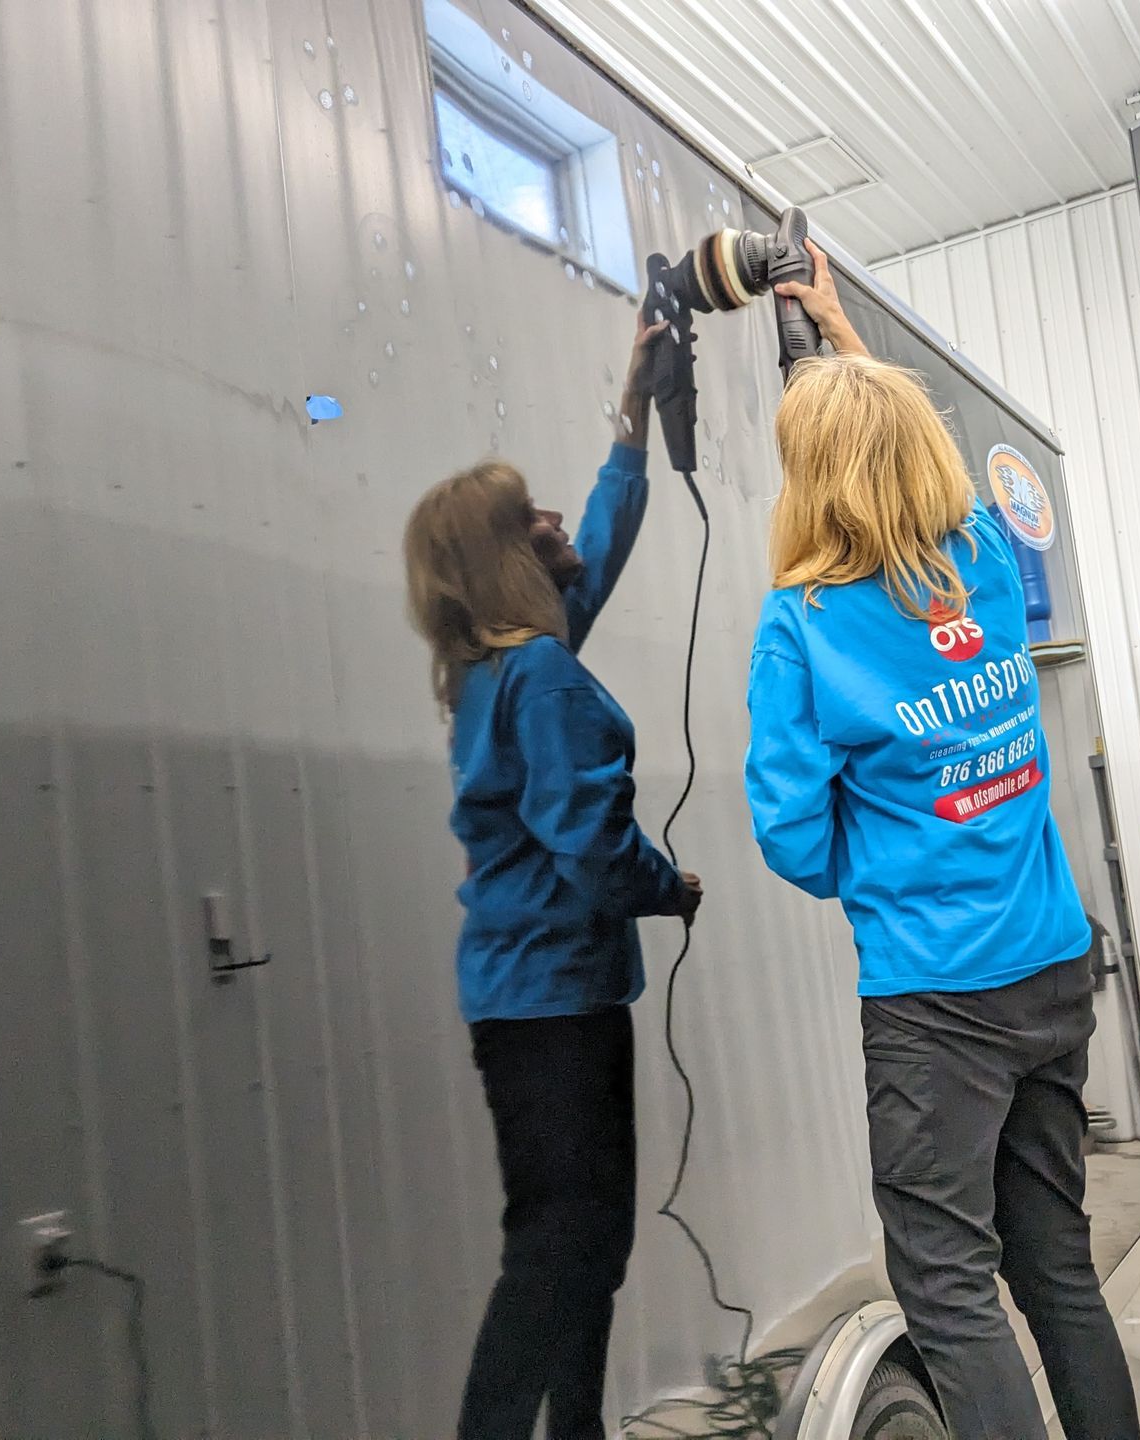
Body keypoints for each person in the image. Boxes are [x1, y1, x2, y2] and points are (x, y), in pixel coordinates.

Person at [743, 243, 1140, 1440]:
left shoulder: (803, 626)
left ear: (806, 480)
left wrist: (881, 846)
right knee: (1054, 1266)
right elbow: (937, 471)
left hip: (939, 1002)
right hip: (1053, 966)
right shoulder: (976, 563)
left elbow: (792, 841)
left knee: (950, 1286)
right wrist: (843, 331)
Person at [403, 313, 703, 1440]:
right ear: (503, 559)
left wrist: (633, 408)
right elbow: (593, 853)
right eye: (528, 517)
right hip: (554, 1006)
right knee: (564, 1249)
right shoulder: (545, 681)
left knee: (585, 1247)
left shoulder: (505, 668)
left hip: (533, 1000)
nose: (554, 517)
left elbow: (608, 534)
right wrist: (670, 887)